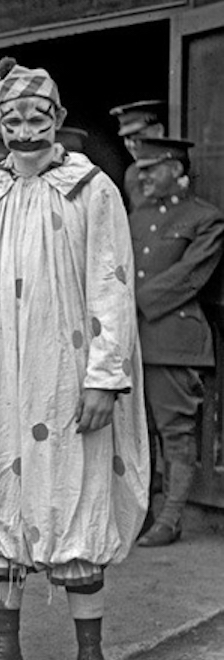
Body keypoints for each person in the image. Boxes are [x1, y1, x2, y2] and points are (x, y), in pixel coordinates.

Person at [0, 57, 149, 660]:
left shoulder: (91, 189)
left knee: (75, 504)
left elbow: (112, 283)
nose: (25, 131)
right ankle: (4, 652)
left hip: (66, 379)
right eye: (12, 120)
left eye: (37, 117)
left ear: (57, 119)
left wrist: (103, 379)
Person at [129, 137, 224, 547]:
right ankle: (144, 513)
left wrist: (132, 300)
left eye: (151, 168)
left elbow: (190, 276)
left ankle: (171, 518)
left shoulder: (205, 219)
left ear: (175, 168)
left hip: (173, 339)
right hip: (133, 338)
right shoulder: (136, 216)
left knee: (175, 431)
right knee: (139, 431)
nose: (142, 176)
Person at [109, 100, 166, 211]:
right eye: (127, 138)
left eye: (138, 136)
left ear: (159, 130)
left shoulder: (177, 165)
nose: (132, 144)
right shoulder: (132, 173)